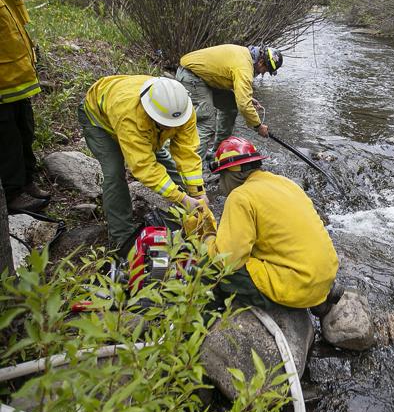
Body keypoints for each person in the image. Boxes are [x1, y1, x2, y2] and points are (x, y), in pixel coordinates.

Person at [187, 136, 341, 315]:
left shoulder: (240, 196)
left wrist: (205, 235)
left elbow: (227, 260)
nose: (220, 184)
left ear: (231, 173)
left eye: (220, 177)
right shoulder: (286, 183)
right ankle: (319, 300)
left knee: (209, 266)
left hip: (298, 285)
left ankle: (201, 327)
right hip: (325, 276)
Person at [78, 75, 206, 247]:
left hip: (145, 127)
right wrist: (181, 198)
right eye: (166, 124)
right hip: (99, 120)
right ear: (151, 114)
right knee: (114, 173)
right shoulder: (129, 115)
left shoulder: (182, 110)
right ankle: (122, 238)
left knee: (169, 165)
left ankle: (188, 217)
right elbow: (143, 166)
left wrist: (198, 193)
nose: (171, 128)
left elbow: (187, 153)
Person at [175, 44, 283, 162]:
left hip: (205, 78)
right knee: (207, 123)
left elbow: (227, 78)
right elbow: (244, 105)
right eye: (265, 70)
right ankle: (194, 169)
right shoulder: (245, 67)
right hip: (191, 76)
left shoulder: (245, 56)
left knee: (231, 105)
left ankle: (217, 153)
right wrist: (258, 126)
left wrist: (248, 98)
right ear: (261, 62)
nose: (263, 73)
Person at [0, 0, 50, 213]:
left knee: (25, 132)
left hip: (18, 79)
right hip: (2, 86)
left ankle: (27, 180)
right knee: (7, 141)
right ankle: (12, 193)